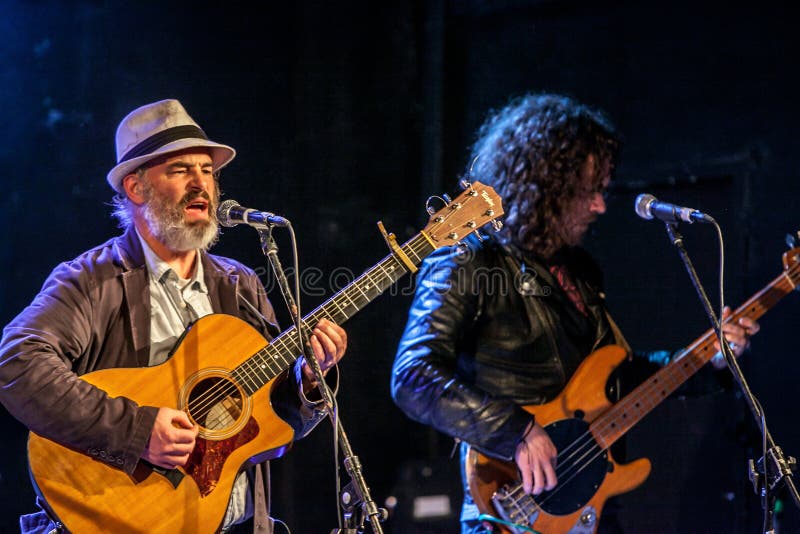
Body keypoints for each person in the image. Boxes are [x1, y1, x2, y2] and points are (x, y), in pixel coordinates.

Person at [390, 93, 760, 533]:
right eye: (589, 192)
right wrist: (519, 431)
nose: (601, 205)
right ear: (545, 187)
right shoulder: (471, 259)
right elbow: (412, 376)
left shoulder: (579, 270)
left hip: (591, 507)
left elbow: (618, 377)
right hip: (514, 510)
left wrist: (710, 359)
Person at [0, 99, 347, 533]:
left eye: (208, 170)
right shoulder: (90, 280)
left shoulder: (239, 286)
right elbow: (16, 363)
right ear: (136, 188)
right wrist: (137, 429)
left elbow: (273, 426)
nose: (202, 184)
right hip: (116, 518)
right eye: (181, 170)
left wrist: (309, 380)